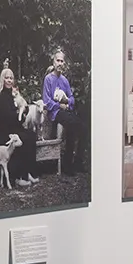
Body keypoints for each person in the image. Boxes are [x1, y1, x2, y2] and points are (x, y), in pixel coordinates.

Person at [0, 64, 39, 187]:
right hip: (6, 131)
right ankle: (18, 177)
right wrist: (19, 114)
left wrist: (24, 112)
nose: (9, 80)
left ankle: (28, 173)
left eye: (11, 78)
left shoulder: (13, 95)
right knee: (23, 139)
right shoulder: (2, 97)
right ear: (2, 80)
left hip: (15, 127)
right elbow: (7, 117)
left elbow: (20, 112)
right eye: (7, 78)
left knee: (31, 136)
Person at [44, 47, 87, 176]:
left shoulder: (64, 80)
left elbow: (72, 98)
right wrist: (60, 106)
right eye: (58, 61)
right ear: (53, 62)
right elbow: (47, 100)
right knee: (73, 124)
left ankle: (78, 162)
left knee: (84, 128)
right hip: (55, 113)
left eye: (62, 61)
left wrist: (68, 103)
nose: (60, 63)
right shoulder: (48, 79)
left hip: (66, 112)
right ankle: (68, 165)